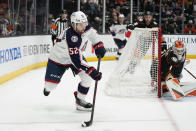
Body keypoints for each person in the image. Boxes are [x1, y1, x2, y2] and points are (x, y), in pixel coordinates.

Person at [43, 11, 106, 111]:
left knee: (87, 77)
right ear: (73, 24)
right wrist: (91, 70)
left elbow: (93, 34)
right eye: (80, 25)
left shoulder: (85, 27)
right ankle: (47, 88)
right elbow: (76, 60)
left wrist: (98, 45)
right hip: (58, 59)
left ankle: (80, 101)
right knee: (51, 86)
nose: (83, 27)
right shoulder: (71, 36)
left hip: (75, 56)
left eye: (85, 23)